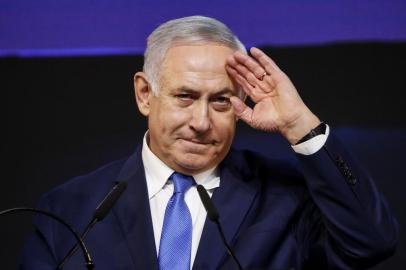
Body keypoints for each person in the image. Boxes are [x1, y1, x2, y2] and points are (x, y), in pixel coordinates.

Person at [19, 16, 398, 270]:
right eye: (184, 96)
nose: (201, 123)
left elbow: (373, 243)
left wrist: (301, 124)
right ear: (144, 94)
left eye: (221, 101)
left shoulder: (285, 199)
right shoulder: (71, 209)